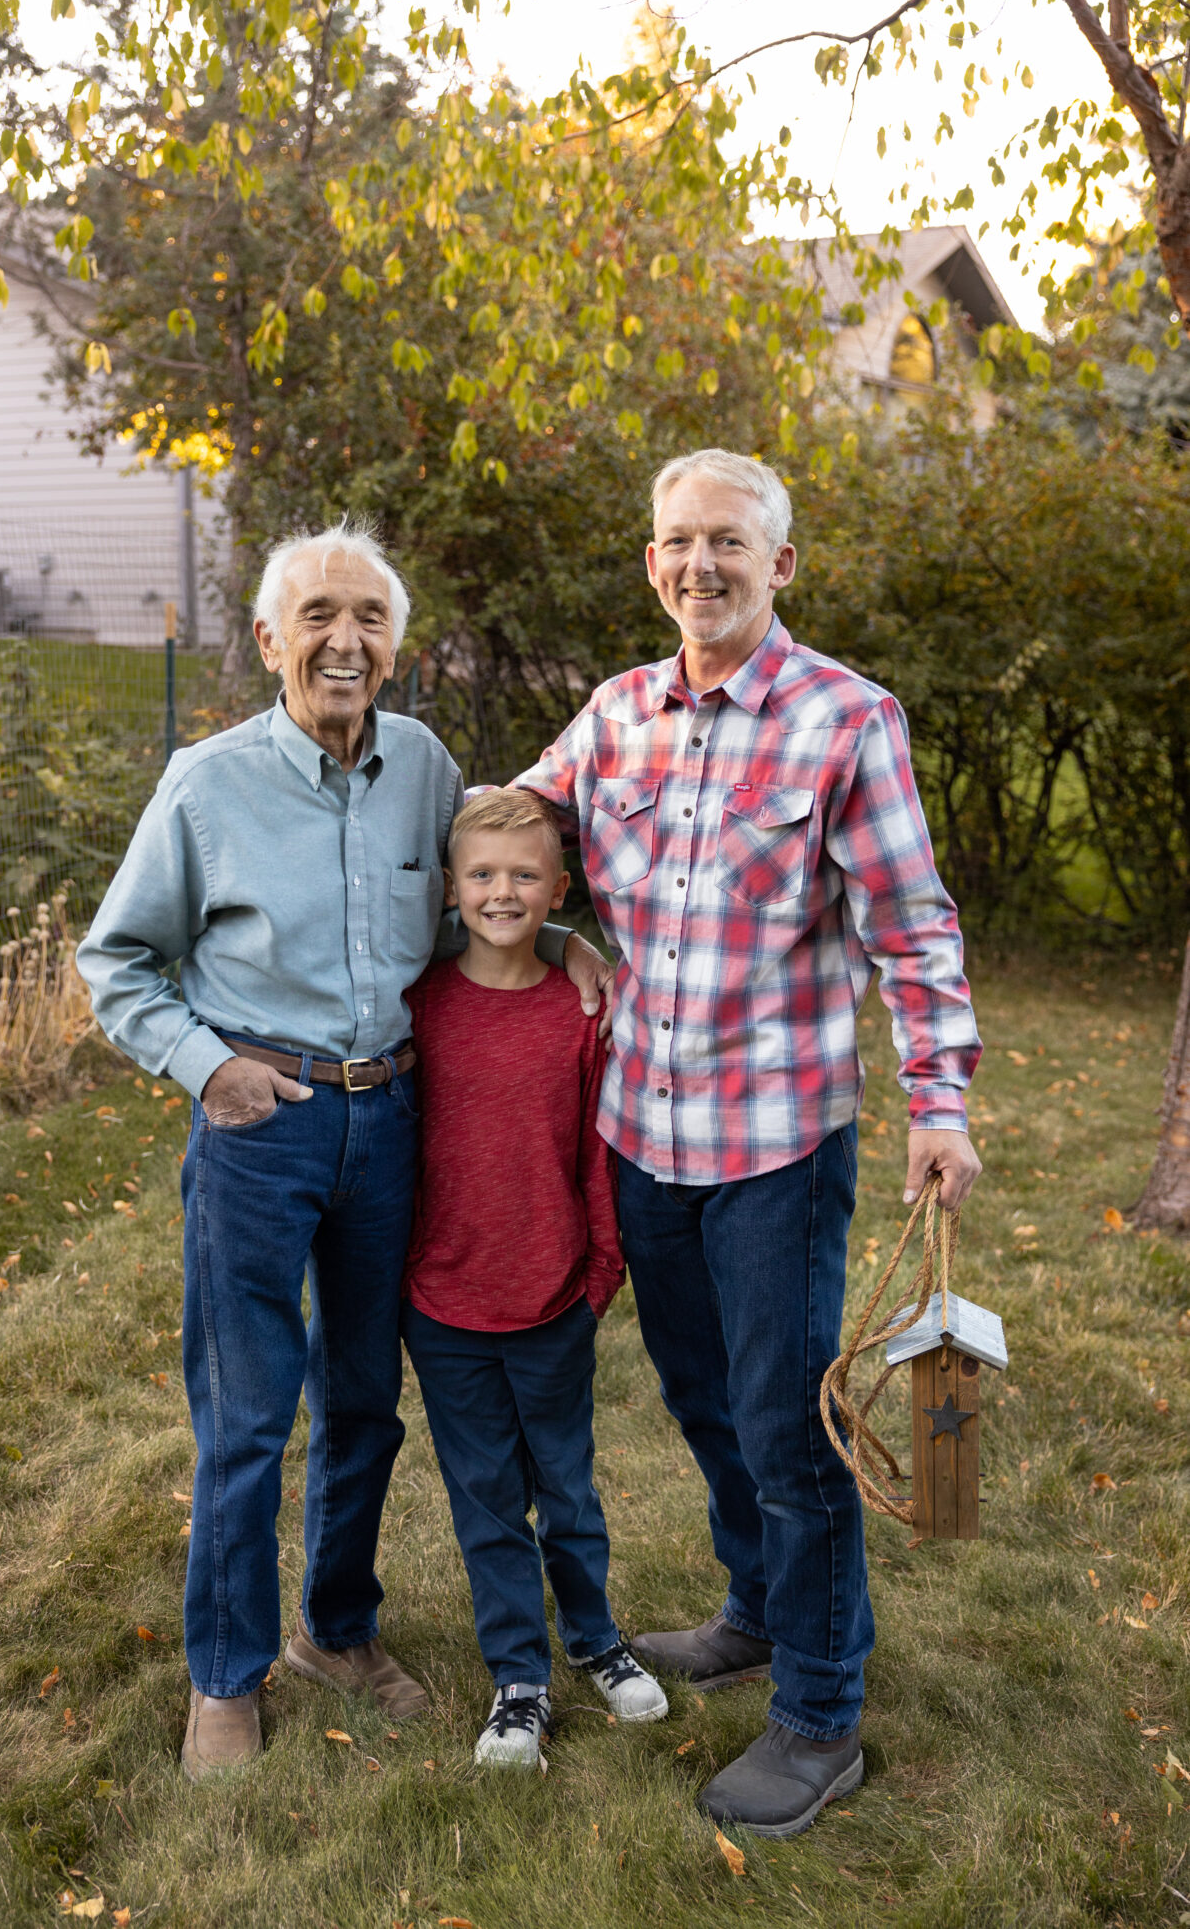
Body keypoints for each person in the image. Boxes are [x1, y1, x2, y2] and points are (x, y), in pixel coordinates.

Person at [75, 520, 610, 1782]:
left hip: (391, 1122)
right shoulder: (206, 785)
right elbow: (116, 962)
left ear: (395, 645)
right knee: (249, 1410)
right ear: (268, 639)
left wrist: (563, 941)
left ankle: (337, 1626)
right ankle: (225, 1672)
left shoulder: (425, 766)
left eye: (368, 618)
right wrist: (209, 1066)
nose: (343, 639)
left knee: (364, 1399)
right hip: (262, 1123)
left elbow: (481, 889)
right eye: (317, 614)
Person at [515, 448, 984, 1838]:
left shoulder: (845, 720)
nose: (698, 564)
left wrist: (940, 1098)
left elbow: (913, 928)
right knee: (705, 1403)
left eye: (727, 541)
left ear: (778, 564)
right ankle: (759, 1610)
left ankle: (821, 1710)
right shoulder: (610, 719)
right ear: (649, 564)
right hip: (641, 1143)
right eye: (675, 542)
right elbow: (509, 833)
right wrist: (545, 926)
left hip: (775, 1143)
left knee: (789, 1426)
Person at [401, 789, 667, 1769]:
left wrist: (599, 1273)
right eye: (480, 874)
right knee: (485, 1494)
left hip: (554, 1294)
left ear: (558, 889)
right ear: (448, 889)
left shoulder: (581, 1007)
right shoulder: (418, 1007)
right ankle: (518, 1676)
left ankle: (594, 1636)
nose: (500, 891)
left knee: (565, 1483)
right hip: (443, 1302)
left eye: (523, 876)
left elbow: (598, 1152)